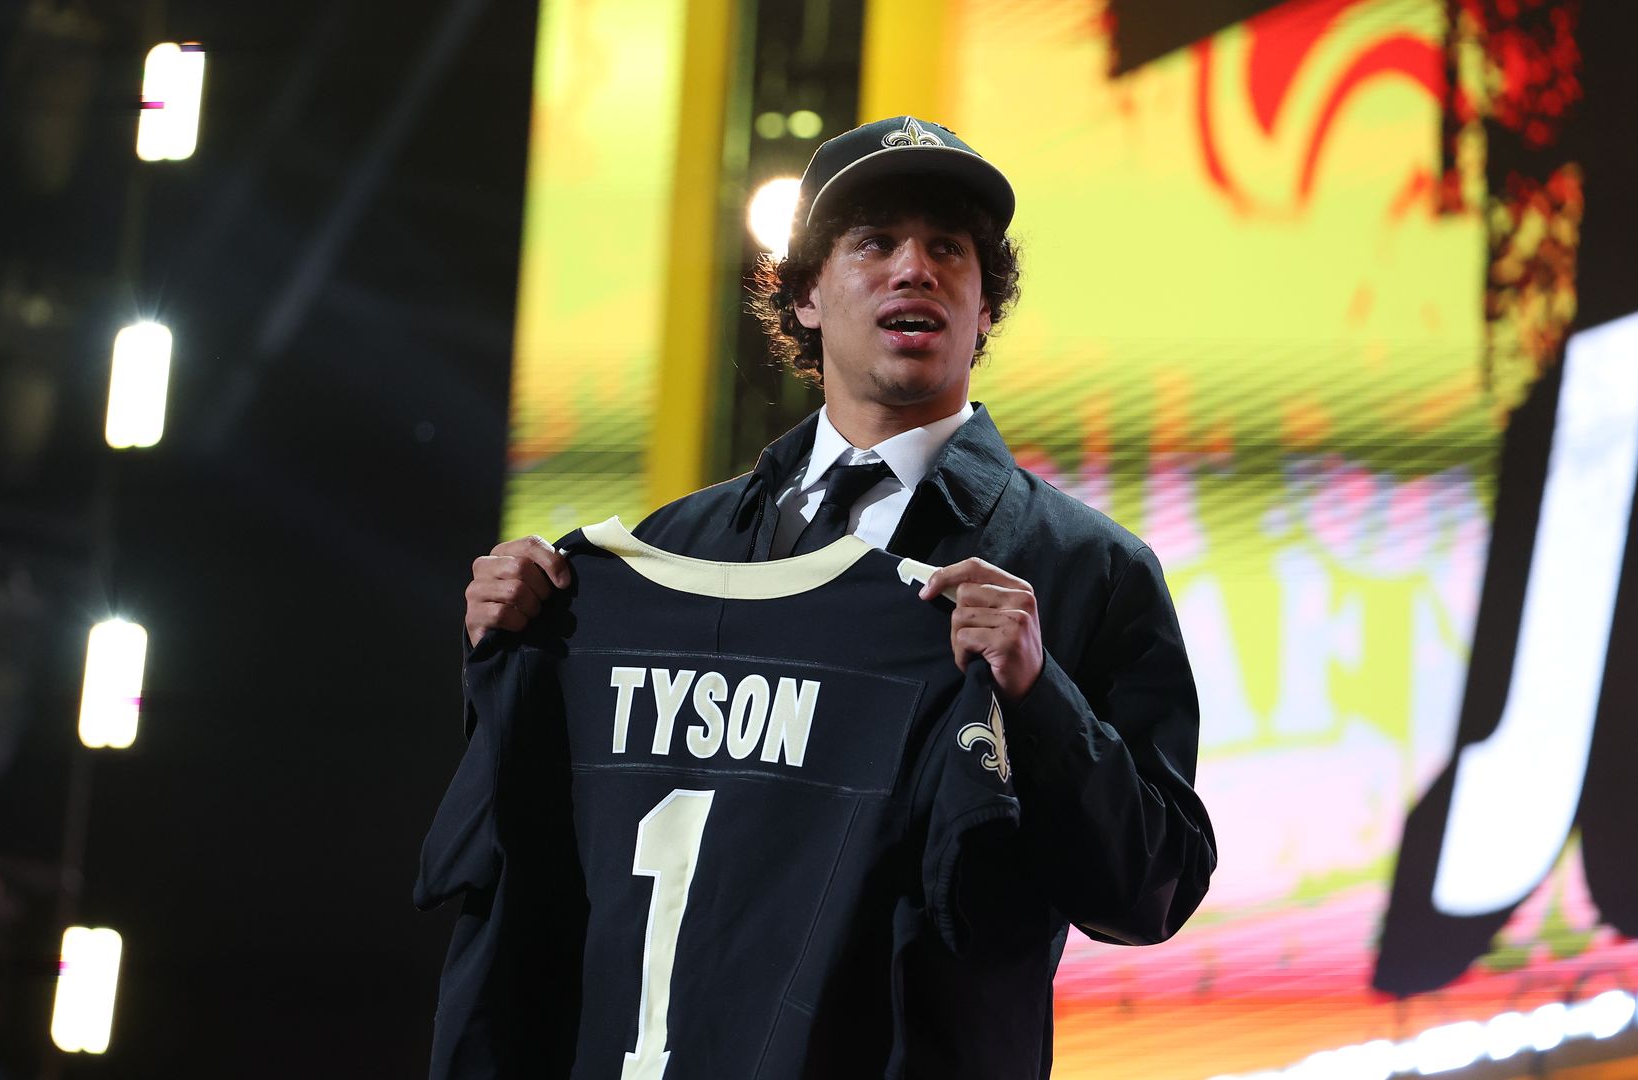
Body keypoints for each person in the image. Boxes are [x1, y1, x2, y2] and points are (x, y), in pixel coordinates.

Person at [460, 115, 1215, 1072]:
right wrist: (514, 641)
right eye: (874, 244)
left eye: (950, 249)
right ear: (805, 294)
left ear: (986, 309)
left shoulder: (1085, 570)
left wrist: (1039, 698)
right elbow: (541, 853)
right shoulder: (668, 553)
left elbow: (1153, 893)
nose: (916, 269)